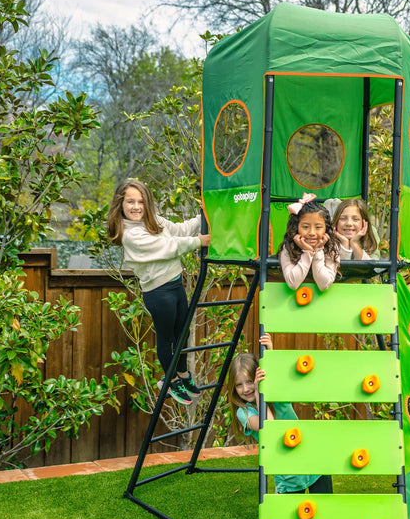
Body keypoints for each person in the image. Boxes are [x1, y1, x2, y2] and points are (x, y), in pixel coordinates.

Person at [107, 178, 210, 405]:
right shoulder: (129, 233)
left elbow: (179, 230)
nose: (136, 207)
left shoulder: (153, 221)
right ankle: (170, 380)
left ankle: (183, 375)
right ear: (120, 204)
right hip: (158, 291)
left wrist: (203, 217)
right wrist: (199, 241)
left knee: (183, 333)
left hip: (175, 284)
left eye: (141, 201)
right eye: (130, 202)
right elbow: (168, 247)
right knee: (167, 338)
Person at [229, 333, 333, 494]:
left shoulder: (276, 394)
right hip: (287, 470)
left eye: (250, 381)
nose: (246, 389)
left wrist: (270, 350)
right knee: (293, 515)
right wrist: (258, 391)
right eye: (239, 385)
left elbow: (276, 373)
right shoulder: (244, 413)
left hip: (312, 459)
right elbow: (270, 427)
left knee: (325, 509)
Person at [278, 192, 340, 291]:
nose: (311, 233)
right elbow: (293, 283)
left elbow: (323, 285)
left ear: (326, 228)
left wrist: (318, 250)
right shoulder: (288, 247)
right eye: (305, 227)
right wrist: (307, 252)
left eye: (318, 227)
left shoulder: (331, 248)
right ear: (296, 227)